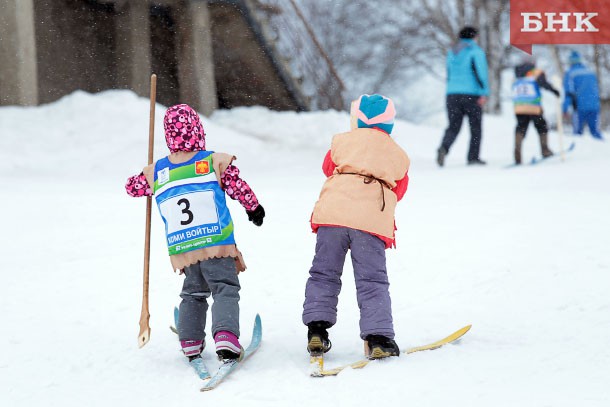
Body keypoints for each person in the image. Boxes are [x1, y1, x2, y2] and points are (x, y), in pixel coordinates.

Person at [124, 104, 265, 364]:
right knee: (224, 287)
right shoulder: (212, 161)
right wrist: (253, 207)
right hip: (215, 241)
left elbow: (132, 188)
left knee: (193, 292)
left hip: (184, 246)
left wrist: (150, 171)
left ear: (168, 137)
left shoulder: (159, 171)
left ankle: (190, 340)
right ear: (199, 131)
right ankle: (225, 335)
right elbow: (237, 185)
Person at [303, 94, 410, 359]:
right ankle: (378, 339)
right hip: (369, 224)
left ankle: (317, 330)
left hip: (333, 217)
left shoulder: (342, 141)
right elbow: (400, 189)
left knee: (324, 274)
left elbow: (328, 168)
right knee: (372, 280)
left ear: (357, 119)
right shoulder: (397, 154)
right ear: (390, 124)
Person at [437, 26, 489, 166]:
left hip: (452, 94)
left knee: (454, 126)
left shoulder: (452, 52)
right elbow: (481, 73)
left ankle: (443, 148)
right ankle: (473, 157)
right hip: (471, 94)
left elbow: (449, 73)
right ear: (474, 37)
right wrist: (484, 93)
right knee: (475, 127)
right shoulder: (476, 51)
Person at [511, 56, 560, 164]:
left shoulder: (517, 74)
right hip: (533, 106)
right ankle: (545, 150)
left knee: (521, 128)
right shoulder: (535, 73)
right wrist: (554, 91)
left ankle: (517, 152)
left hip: (519, 106)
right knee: (541, 126)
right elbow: (543, 84)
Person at [562, 50, 603, 140]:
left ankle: (577, 152)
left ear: (570, 62)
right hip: (594, 106)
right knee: (596, 132)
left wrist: (564, 109)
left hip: (579, 107)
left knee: (577, 133)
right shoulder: (590, 72)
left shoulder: (570, 74)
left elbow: (569, 93)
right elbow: (596, 89)